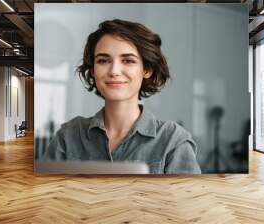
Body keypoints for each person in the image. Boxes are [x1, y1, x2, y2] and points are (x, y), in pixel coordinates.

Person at [43, 19, 201, 174]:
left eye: (128, 60)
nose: (114, 71)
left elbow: (189, 199)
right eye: (103, 60)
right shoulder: (68, 136)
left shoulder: (173, 140)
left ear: (147, 70)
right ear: (93, 71)